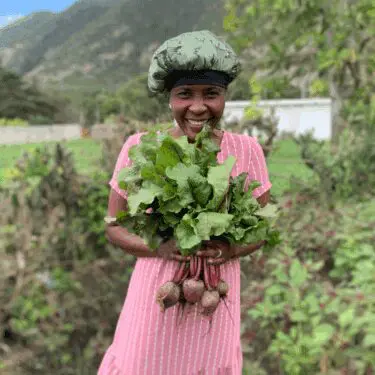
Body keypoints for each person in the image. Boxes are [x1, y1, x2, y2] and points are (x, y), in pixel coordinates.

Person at [98, 30, 272, 375]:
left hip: (216, 292)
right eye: (184, 94)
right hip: (157, 290)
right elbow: (113, 228)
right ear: (169, 98)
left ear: (224, 97)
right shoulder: (142, 146)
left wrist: (231, 250)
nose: (197, 106)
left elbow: (263, 227)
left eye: (211, 93)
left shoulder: (247, 150)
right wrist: (159, 248)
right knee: (141, 363)